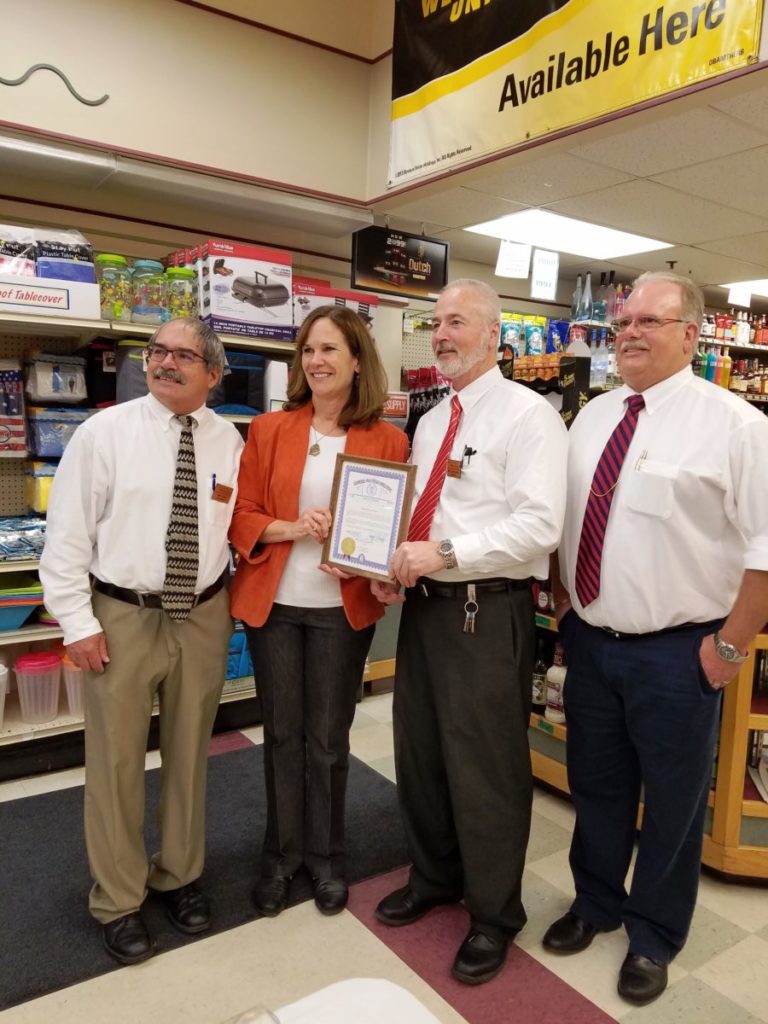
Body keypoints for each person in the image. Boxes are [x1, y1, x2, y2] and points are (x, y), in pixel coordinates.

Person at [543, 272, 768, 1006]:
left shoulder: (737, 426)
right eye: (623, 322)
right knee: (596, 784)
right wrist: (566, 604)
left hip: (680, 650)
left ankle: (653, 934)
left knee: (673, 801)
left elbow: (765, 550)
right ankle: (595, 903)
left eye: (649, 321)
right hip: (592, 640)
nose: (630, 333)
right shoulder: (593, 417)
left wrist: (729, 648)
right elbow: (568, 518)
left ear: (692, 334)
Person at [372, 279, 568, 985]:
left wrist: (446, 554)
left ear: (494, 337)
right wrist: (393, 565)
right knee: (420, 750)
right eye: (437, 323)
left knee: (484, 767)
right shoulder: (432, 421)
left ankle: (493, 915)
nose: (442, 335)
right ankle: (434, 877)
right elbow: (425, 512)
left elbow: (539, 526)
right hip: (426, 607)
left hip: (487, 610)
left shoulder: (530, 416)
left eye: (457, 322)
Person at [39, 317, 243, 965]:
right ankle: (119, 898)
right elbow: (65, 537)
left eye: (184, 355)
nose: (164, 362)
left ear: (213, 374)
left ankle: (178, 875)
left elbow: (233, 526)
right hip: (121, 616)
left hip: (203, 615)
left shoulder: (229, 440)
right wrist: (78, 623)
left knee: (190, 755)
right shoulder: (105, 433)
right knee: (117, 761)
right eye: (158, 351)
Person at [229, 305, 409, 918]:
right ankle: (280, 858)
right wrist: (295, 527)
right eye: (308, 350)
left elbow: (391, 530)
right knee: (282, 736)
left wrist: (369, 565)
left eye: (329, 349)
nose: (316, 361)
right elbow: (241, 515)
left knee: (329, 739)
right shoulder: (269, 429)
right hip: (276, 605)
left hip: (341, 610)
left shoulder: (387, 439)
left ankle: (328, 859)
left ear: (357, 360)